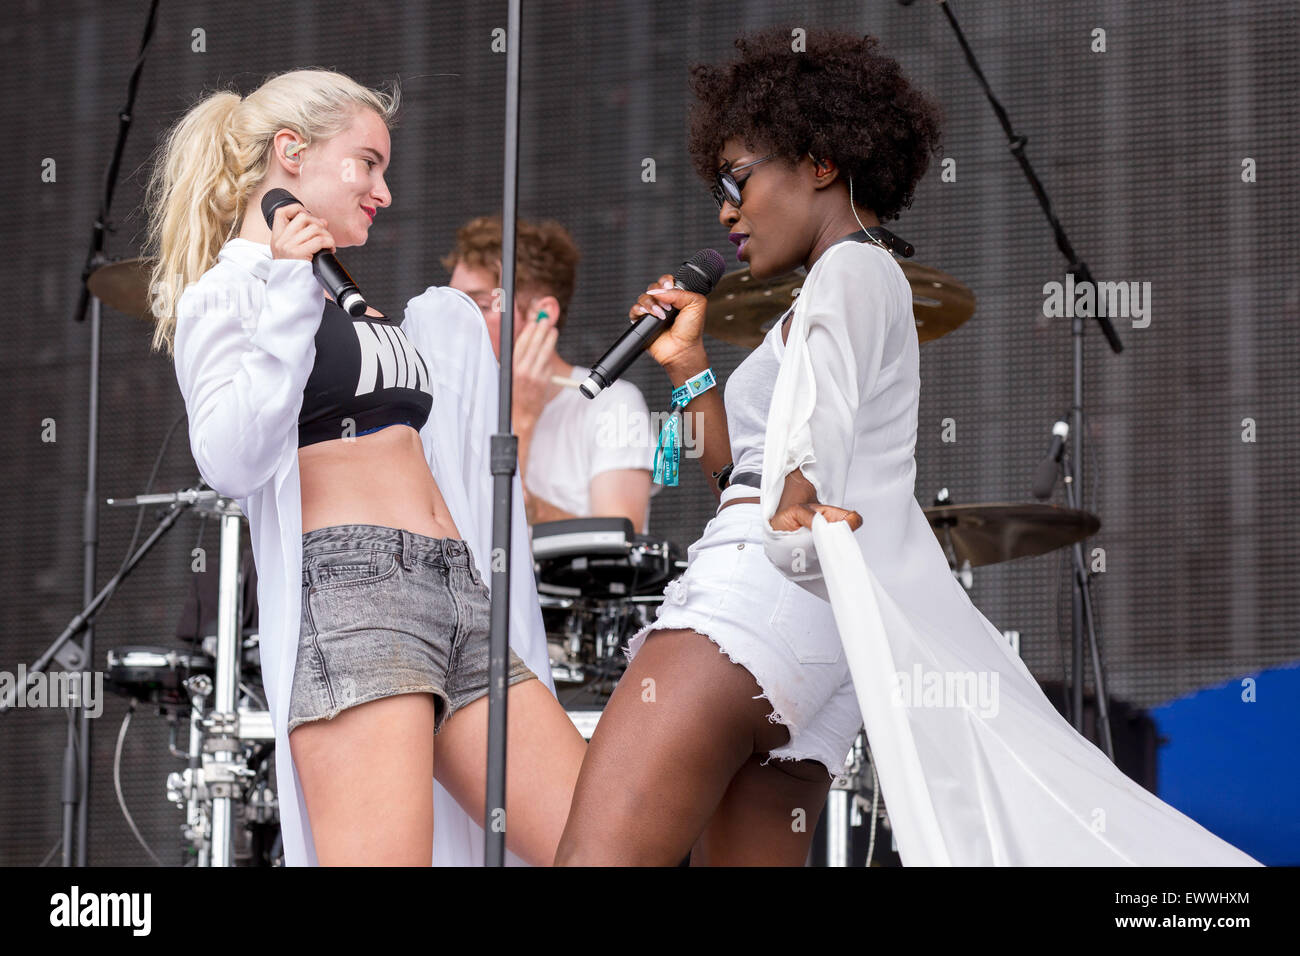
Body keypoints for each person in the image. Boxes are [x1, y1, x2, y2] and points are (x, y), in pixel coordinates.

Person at [555, 28, 1260, 866]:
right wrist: (690, 368)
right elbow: (738, 482)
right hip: (817, 643)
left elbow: (792, 470)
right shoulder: (851, 286)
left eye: (736, 179)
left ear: (820, 163)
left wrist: (796, 496)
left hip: (751, 601)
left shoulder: (851, 271)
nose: (724, 210)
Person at [145, 68, 585, 866]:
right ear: (291, 153)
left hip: (457, 590)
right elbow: (231, 459)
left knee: (601, 844)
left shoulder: (342, 292)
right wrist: (282, 286)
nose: (384, 188)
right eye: (368, 162)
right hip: (357, 595)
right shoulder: (231, 294)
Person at [444, 216, 656, 533]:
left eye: (482, 306)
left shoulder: (612, 404)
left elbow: (620, 544)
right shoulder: (449, 406)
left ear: (543, 314)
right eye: (453, 306)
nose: (457, 321)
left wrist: (521, 418)